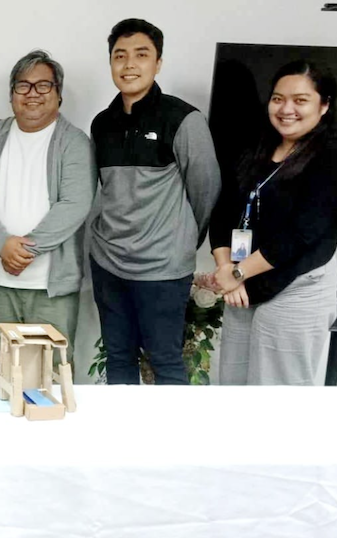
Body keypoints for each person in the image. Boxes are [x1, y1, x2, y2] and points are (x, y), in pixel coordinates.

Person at [88, 18, 221, 385]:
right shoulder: (102, 124)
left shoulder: (183, 119)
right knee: (118, 359)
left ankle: (167, 443)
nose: (129, 64)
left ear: (158, 63)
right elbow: (107, 190)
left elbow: (206, 190)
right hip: (108, 263)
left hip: (162, 270)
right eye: (120, 56)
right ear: (111, 63)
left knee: (165, 362)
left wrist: (179, 242)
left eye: (141, 55)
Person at [209, 60, 337, 385]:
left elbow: (299, 234)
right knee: (232, 388)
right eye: (278, 98)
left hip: (294, 290)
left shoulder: (333, 161)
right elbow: (222, 211)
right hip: (242, 288)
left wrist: (236, 272)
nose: (286, 108)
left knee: (279, 401)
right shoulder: (255, 148)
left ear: (325, 105)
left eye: (300, 100)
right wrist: (227, 269)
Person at [0, 50, 96, 383]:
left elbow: (75, 204)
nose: (33, 94)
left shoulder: (74, 142)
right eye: (23, 86)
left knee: (50, 370)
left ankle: (47, 436)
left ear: (59, 94)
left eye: (43, 86)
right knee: (0, 366)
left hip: (50, 286)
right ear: (11, 95)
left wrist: (24, 250)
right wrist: (1, 244)